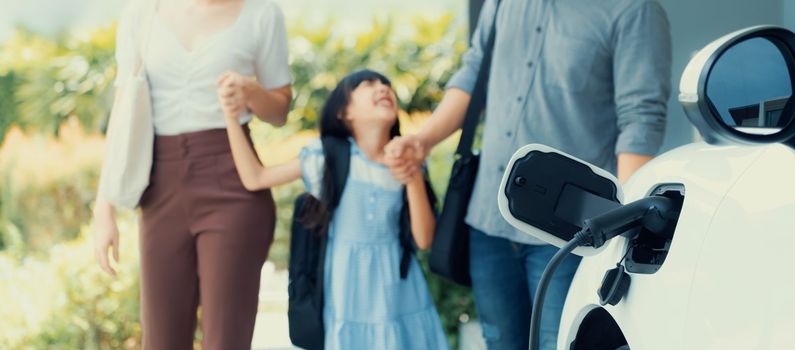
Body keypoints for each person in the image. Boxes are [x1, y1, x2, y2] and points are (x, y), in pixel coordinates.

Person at [385, 0, 672, 349]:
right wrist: (422, 140)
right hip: (489, 217)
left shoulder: (633, 9)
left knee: (558, 342)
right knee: (500, 341)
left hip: (569, 231)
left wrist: (622, 227)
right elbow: (475, 72)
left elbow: (640, 118)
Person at [92, 0, 292, 348]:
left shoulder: (261, 13)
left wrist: (250, 92)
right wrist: (103, 207)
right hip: (159, 185)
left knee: (226, 338)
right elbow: (124, 112)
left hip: (232, 180)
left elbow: (279, 110)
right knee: (162, 338)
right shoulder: (142, 12)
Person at [219, 69, 449, 350]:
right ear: (343, 112)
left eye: (386, 84)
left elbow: (424, 239)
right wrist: (231, 118)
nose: (382, 88)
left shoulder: (408, 158)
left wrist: (411, 174)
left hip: (399, 290)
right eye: (368, 84)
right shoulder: (326, 157)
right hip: (346, 289)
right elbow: (256, 178)